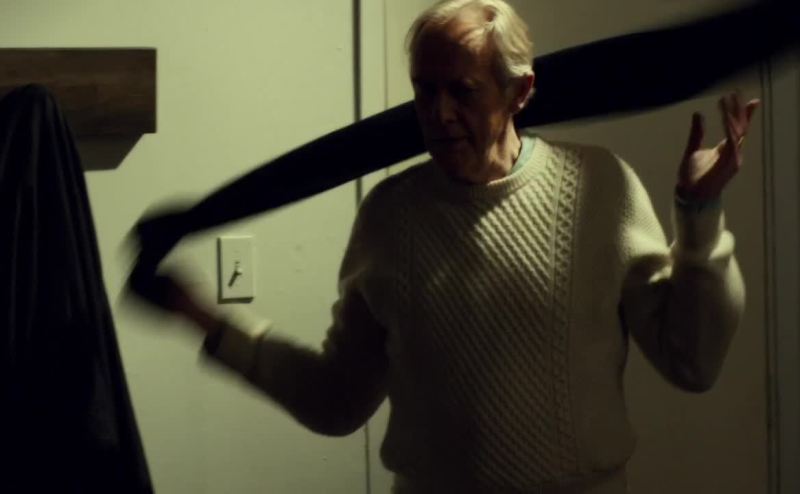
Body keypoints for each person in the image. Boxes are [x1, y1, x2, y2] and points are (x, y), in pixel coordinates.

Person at [132, 1, 757, 492]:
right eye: (424, 91)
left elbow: (692, 362)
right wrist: (202, 319)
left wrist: (698, 215)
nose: (440, 114)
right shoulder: (389, 217)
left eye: (463, 91)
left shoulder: (601, 189)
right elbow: (336, 400)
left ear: (520, 91)